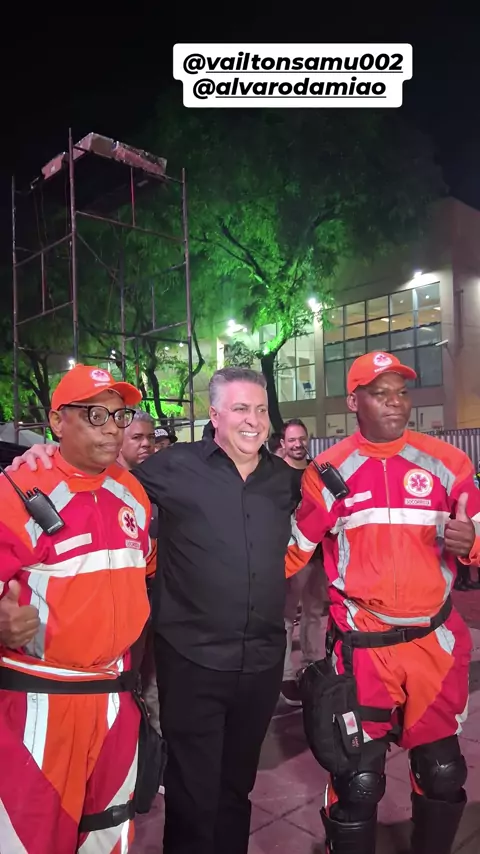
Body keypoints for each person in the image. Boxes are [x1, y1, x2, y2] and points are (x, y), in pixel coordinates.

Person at [10, 366, 300, 854]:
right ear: (215, 415)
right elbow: (94, 471)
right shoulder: (170, 468)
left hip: (262, 660)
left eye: (260, 409)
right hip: (191, 661)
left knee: (237, 788)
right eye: (240, 408)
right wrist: (42, 454)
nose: (253, 420)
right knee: (191, 792)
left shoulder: (286, 480)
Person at [286, 351, 479, 854]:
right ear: (354, 402)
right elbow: (291, 553)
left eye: (401, 392)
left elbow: (478, 530)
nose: (395, 403)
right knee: (358, 781)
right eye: (380, 393)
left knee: (442, 771)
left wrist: (473, 542)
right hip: (363, 650)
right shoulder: (328, 471)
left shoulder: (449, 463)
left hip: (433, 646)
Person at [0, 364, 156, 854]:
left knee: (109, 835)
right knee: (31, 840)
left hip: (115, 699)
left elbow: (143, 570)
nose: (112, 428)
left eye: (119, 415)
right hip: (41, 705)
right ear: (56, 421)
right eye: (95, 415)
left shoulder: (132, 492)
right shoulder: (17, 489)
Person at [280, 419, 326, 705]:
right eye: (292, 440)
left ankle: (313, 664)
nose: (298, 444)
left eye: (301, 439)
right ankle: (286, 675)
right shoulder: (276, 473)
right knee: (286, 617)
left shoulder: (317, 470)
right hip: (291, 556)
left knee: (314, 613)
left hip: (319, 554)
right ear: (282, 443)